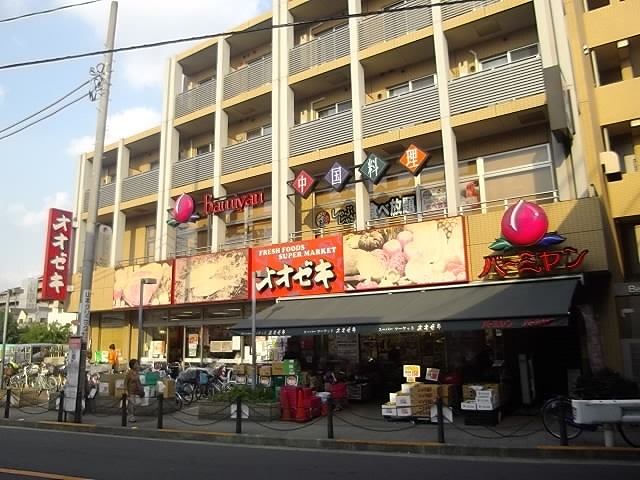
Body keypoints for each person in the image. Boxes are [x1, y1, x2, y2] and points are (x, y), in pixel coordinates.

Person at [124, 359, 145, 423]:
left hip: (137, 391)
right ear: (133, 365)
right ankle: (131, 416)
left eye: (137, 364)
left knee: (137, 403)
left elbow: (138, 381)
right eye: (136, 364)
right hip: (131, 391)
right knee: (132, 404)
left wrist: (141, 389)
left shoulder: (137, 372)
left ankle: (130, 412)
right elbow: (125, 382)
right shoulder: (129, 373)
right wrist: (126, 391)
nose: (137, 365)